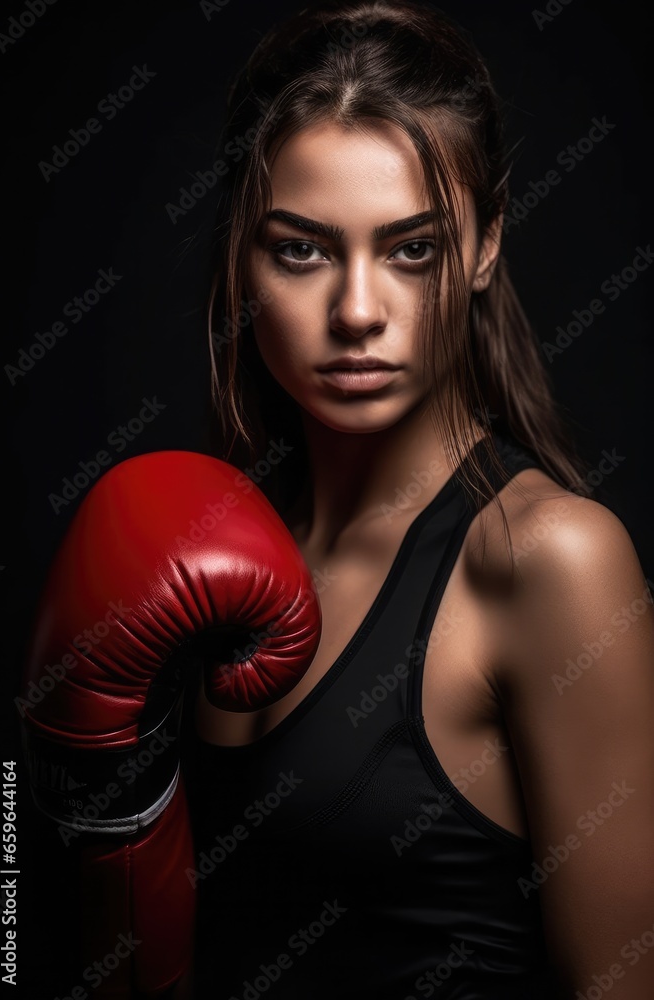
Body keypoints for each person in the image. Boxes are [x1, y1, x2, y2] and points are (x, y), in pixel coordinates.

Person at [178, 1, 654, 998]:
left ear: (483, 247)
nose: (357, 311)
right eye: (301, 249)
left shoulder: (547, 561)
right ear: (240, 256)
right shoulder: (204, 548)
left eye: (413, 249)